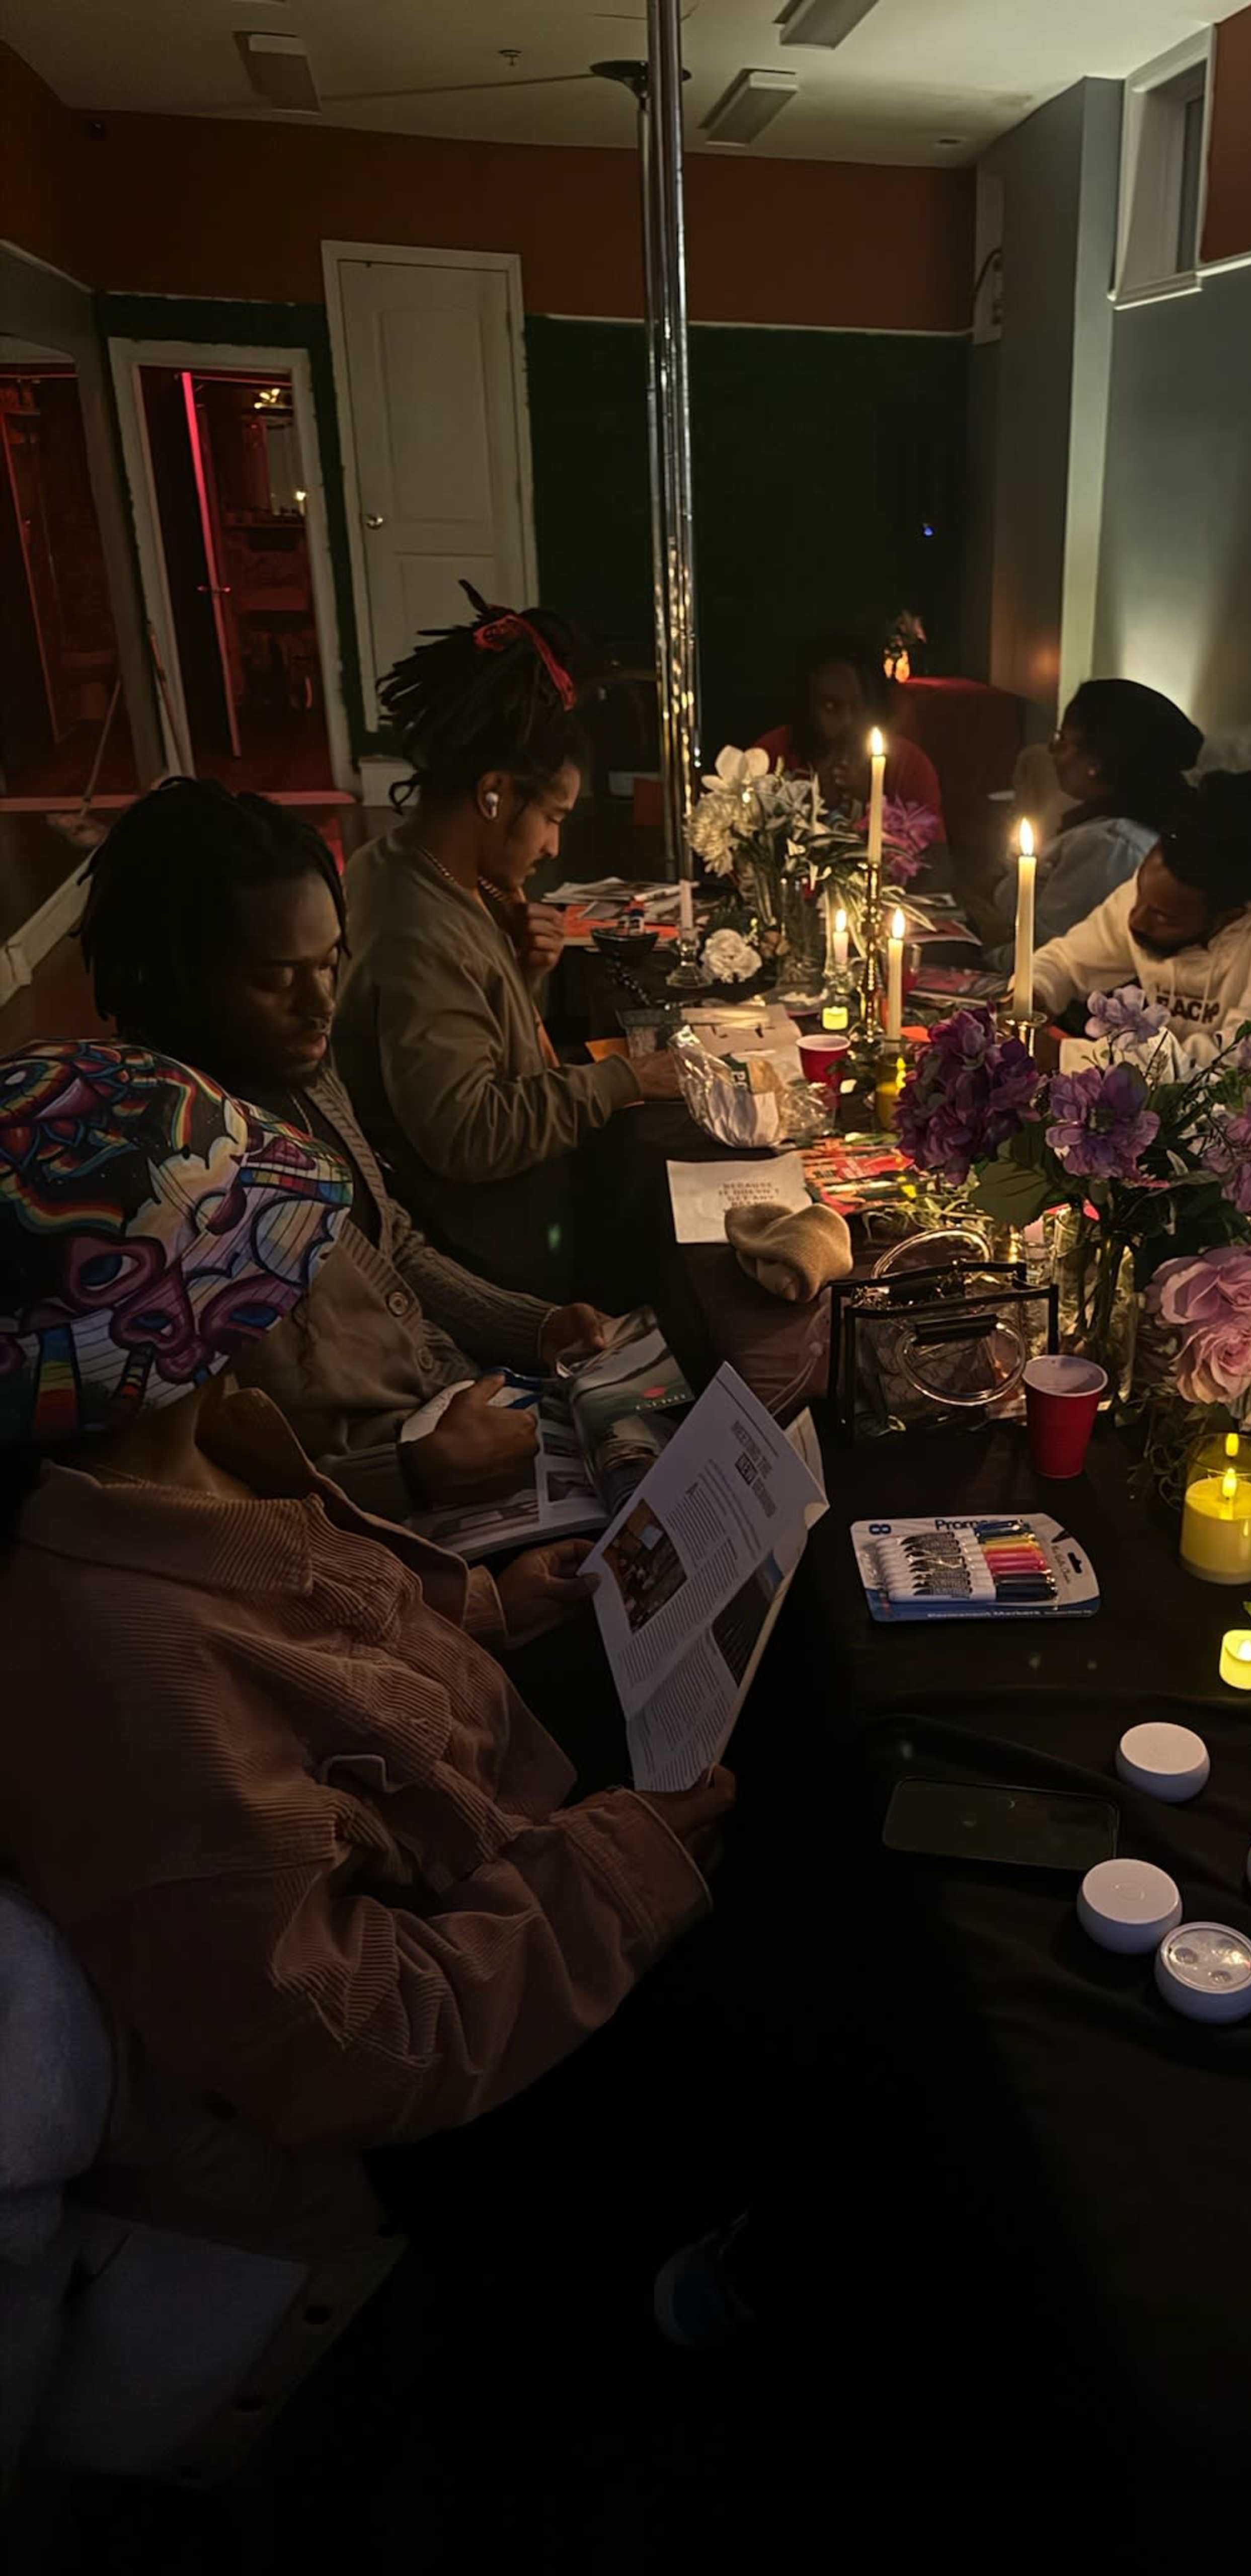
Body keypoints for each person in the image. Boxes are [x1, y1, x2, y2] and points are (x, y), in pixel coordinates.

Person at [0, 1039, 730, 2257]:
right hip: (462, 2076)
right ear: (172, 1327)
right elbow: (355, 2042)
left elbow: (320, 1667)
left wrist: (485, 1609)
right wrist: (614, 1879)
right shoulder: (126, 1669)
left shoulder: (196, 1453)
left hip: (512, 1859)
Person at [76, 777, 616, 1518]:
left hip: (453, 1410)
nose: (322, 1004)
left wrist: (534, 1325)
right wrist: (411, 1473)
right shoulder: (157, 1183)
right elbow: (190, 1478)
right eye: (276, 979)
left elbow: (392, 1244)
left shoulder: (303, 1075)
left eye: (330, 962)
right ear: (171, 979)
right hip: (374, 1519)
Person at [334, 588, 678, 1303]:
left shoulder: (400, 866)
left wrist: (520, 972)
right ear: (494, 793)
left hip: (506, 1217)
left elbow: (476, 1037)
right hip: (492, 1254)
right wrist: (626, 1082)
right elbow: (468, 1132)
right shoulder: (419, 928)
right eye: (551, 816)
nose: (552, 845)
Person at [1029, 768, 1251, 1176]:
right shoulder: (1171, 883)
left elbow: (1237, 1077)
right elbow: (1066, 962)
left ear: (1231, 916)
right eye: (1140, 895)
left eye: (1161, 916)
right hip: (1174, 1142)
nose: (1136, 920)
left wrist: (1065, 1057)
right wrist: (1032, 994)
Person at [989, 679, 1203, 962]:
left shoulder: (1111, 846)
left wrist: (974, 963)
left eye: (1062, 741)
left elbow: (1049, 953)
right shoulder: (1100, 824)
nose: (1053, 753)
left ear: (1096, 762)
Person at [753, 635, 943, 822]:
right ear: (807, 707)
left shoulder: (907, 765)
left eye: (858, 706)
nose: (848, 720)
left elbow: (936, 851)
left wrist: (875, 800)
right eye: (831, 707)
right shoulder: (771, 754)